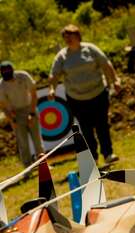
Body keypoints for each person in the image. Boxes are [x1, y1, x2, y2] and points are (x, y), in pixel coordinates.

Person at [48, 24, 121, 164]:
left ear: (78, 36)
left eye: (70, 36)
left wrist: (115, 80)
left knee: (102, 125)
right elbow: (54, 75)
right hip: (77, 99)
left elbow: (106, 64)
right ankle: (92, 157)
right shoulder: (61, 56)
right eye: (65, 37)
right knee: (86, 129)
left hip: (98, 93)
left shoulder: (91, 49)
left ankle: (108, 154)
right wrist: (52, 89)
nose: (68, 39)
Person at [0, 61, 44, 168]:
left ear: (12, 70)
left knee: (37, 140)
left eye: (7, 70)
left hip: (30, 108)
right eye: (3, 71)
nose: (5, 72)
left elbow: (33, 93)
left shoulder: (23, 76)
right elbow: (3, 105)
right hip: (16, 114)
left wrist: (32, 113)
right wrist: (12, 119)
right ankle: (27, 167)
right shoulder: (1, 85)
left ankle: (43, 164)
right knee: (23, 143)